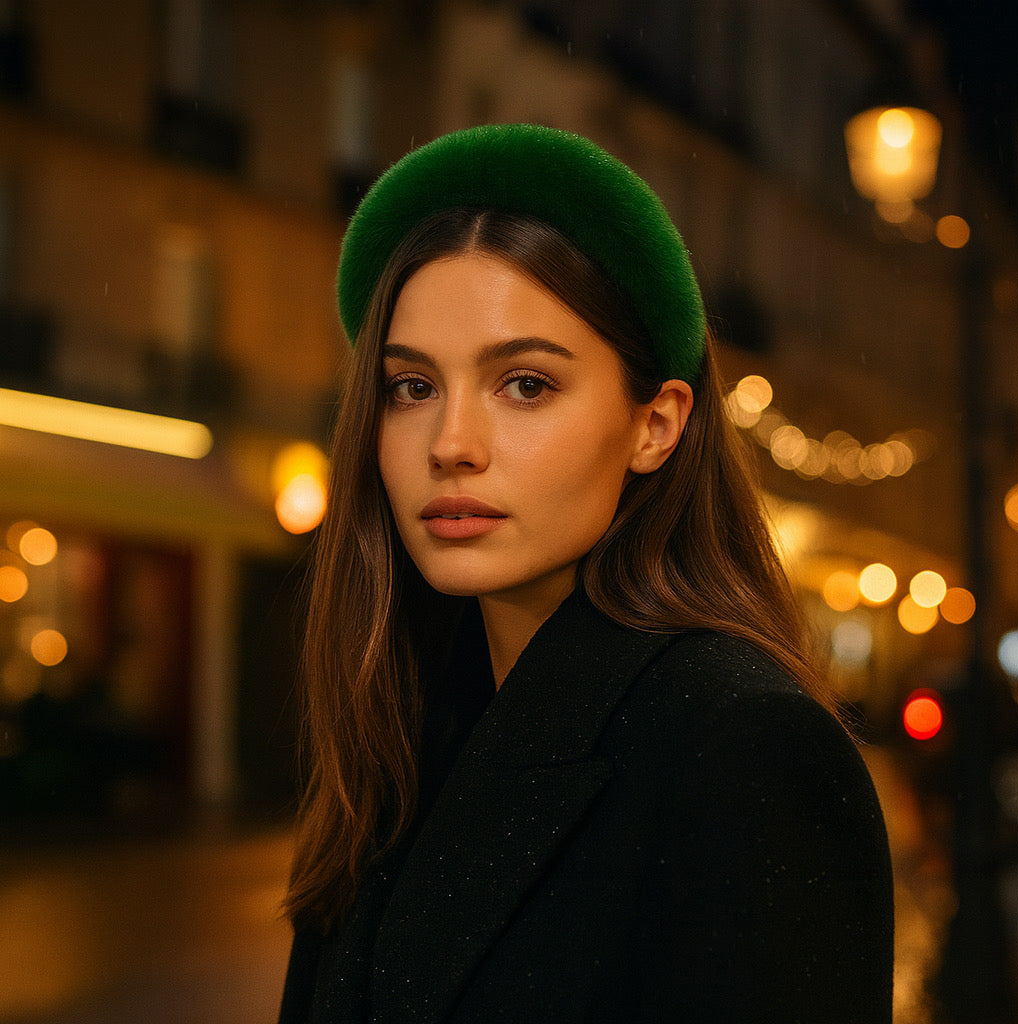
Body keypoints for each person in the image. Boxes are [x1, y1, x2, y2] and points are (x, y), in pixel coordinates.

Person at [278, 124, 894, 1024]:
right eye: (412, 387)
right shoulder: (401, 727)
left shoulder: (740, 744)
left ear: (657, 424)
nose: (451, 445)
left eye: (524, 384)